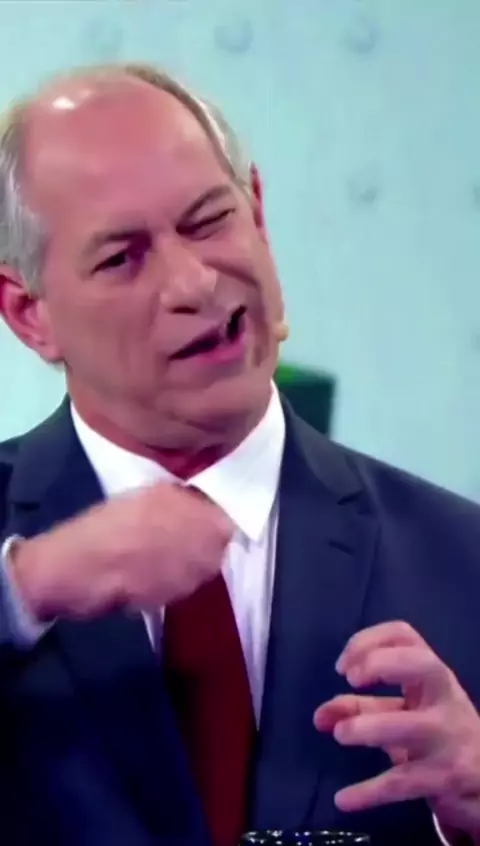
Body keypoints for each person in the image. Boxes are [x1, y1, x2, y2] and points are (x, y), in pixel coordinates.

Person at [0, 63, 479, 846]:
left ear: (257, 212)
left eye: (209, 222)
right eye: (122, 258)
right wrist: (25, 589)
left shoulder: (463, 560)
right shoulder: (16, 568)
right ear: (29, 314)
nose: (194, 283)